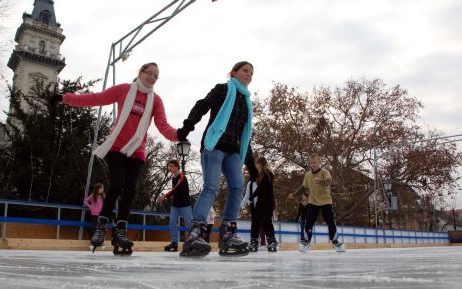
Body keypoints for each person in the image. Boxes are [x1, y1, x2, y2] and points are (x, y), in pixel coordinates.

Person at [51, 62, 178, 254]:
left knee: (131, 189)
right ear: (140, 73)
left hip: (137, 151)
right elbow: (96, 98)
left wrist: (180, 134)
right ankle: (101, 228)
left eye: (155, 76)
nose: (151, 78)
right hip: (116, 147)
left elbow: (163, 125)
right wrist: (65, 98)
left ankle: (120, 231)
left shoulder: (156, 101)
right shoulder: (124, 90)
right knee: (117, 184)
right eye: (149, 74)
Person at [176, 61, 258, 257]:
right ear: (234, 72)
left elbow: (244, 135)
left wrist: (251, 165)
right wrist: (188, 125)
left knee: (238, 187)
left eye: (252, 73)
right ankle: (196, 232)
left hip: (233, 151)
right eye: (245, 71)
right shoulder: (223, 90)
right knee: (211, 187)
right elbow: (202, 105)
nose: (249, 75)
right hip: (214, 145)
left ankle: (228, 233)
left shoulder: (247, 103)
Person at [289, 153, 345, 253]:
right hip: (313, 202)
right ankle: (306, 242)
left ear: (319, 163)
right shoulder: (307, 175)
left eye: (315, 162)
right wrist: (294, 194)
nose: (313, 164)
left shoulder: (325, 172)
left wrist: (320, 181)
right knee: (309, 222)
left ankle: (336, 242)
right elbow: (303, 187)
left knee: (330, 222)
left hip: (325, 201)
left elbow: (329, 181)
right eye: (311, 163)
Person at [157, 160, 192, 252]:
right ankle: (174, 243)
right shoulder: (173, 178)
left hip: (185, 204)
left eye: (172, 166)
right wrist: (168, 197)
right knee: (172, 223)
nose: (170, 168)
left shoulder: (181, 177)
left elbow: (176, 189)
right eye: (169, 167)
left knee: (189, 223)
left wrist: (165, 196)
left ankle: (193, 241)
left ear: (177, 167)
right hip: (175, 205)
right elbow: (174, 192)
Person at [247, 157, 277, 252]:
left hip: (268, 201)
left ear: (261, 164)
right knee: (256, 220)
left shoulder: (269, 174)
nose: (256, 166)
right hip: (260, 201)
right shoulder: (259, 175)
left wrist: (253, 195)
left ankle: (271, 240)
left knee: (266, 220)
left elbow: (262, 188)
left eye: (257, 164)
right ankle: (254, 240)